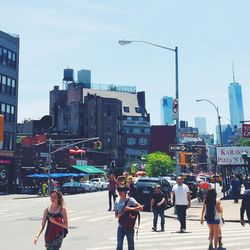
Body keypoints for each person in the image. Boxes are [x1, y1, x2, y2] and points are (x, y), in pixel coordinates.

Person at [114, 185, 143, 250]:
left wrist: (130, 209)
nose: (120, 192)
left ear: (125, 191)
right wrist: (121, 213)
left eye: (122, 191)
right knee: (119, 245)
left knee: (131, 244)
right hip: (120, 226)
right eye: (119, 191)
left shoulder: (131, 200)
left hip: (129, 227)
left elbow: (140, 208)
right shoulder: (117, 201)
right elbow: (116, 216)